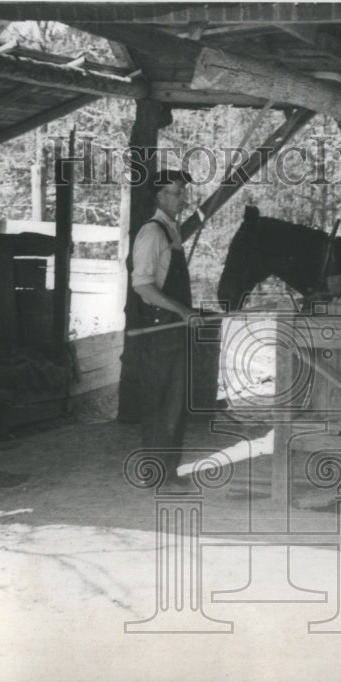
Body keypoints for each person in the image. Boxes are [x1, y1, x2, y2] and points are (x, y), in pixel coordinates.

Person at [129, 169, 201, 489]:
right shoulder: (152, 234)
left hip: (176, 331)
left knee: (176, 402)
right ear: (160, 196)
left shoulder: (172, 231)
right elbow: (143, 286)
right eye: (176, 192)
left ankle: (169, 471)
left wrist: (188, 314)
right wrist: (183, 311)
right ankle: (153, 473)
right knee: (158, 403)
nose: (182, 197)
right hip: (158, 333)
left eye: (183, 192)